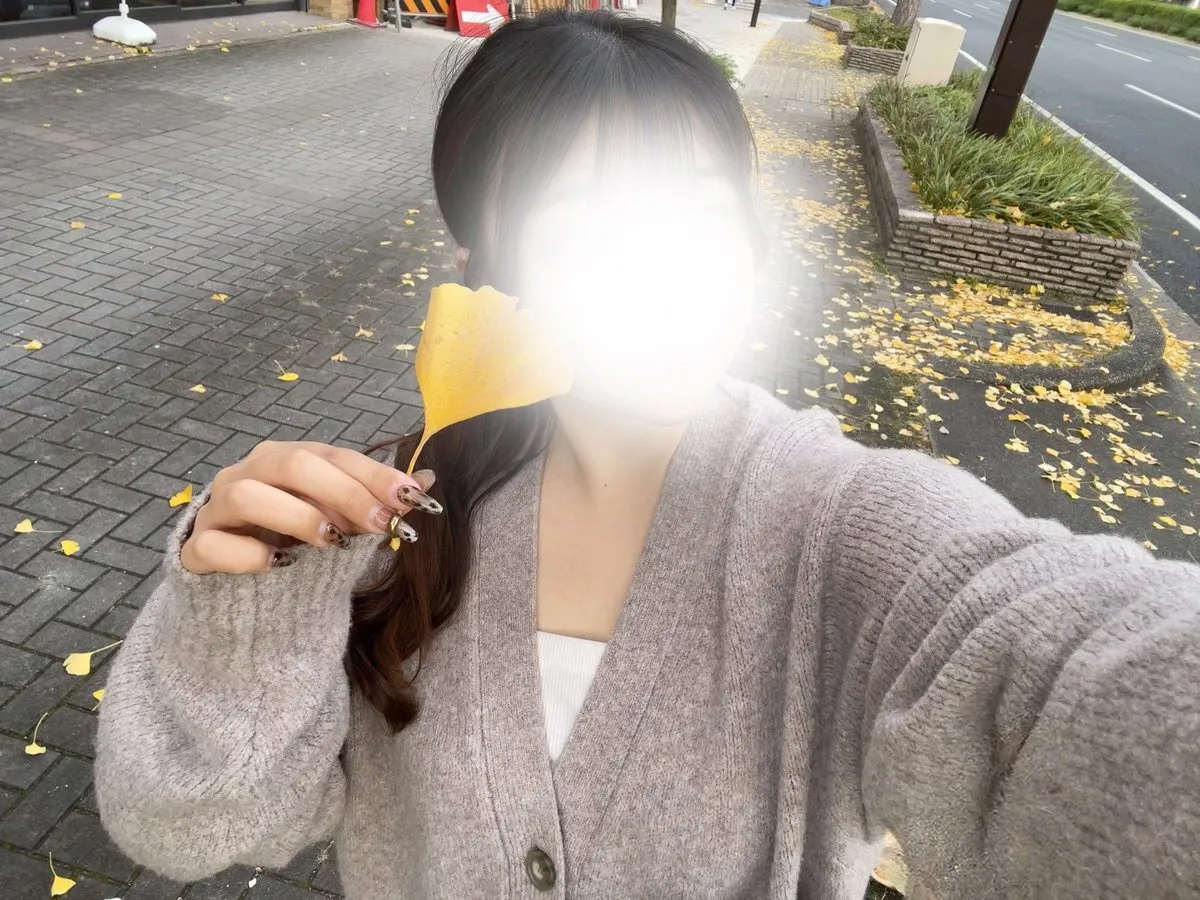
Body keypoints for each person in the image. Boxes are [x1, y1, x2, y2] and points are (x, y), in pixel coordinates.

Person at [95, 10, 1200, 900]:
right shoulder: (382, 524)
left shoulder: (848, 532)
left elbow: (1068, 671)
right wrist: (238, 618)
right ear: (484, 270)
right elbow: (193, 830)